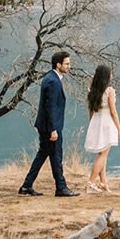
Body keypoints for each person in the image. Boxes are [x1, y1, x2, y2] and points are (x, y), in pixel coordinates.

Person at [18, 51, 80, 197]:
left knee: (44, 154)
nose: (69, 66)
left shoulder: (51, 78)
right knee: (56, 156)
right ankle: (61, 188)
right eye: (67, 63)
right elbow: (50, 107)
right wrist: (53, 129)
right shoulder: (52, 81)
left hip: (45, 126)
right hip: (50, 127)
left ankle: (27, 186)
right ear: (58, 64)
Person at [83, 64, 120, 193]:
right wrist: (119, 128)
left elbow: (91, 109)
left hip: (96, 121)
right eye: (110, 73)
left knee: (102, 154)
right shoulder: (109, 91)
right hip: (106, 123)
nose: (112, 75)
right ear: (107, 76)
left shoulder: (92, 90)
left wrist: (91, 124)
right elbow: (113, 112)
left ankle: (103, 182)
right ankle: (90, 182)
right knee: (103, 154)